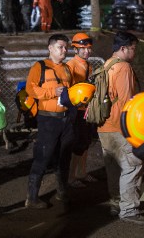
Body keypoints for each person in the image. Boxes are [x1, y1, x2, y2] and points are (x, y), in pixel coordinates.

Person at [98, 31, 144, 225]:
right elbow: (125, 102)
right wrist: (130, 128)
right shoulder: (124, 67)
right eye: (133, 48)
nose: (134, 52)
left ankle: (117, 203)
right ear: (123, 48)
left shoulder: (106, 65)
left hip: (103, 125)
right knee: (133, 165)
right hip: (119, 125)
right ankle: (129, 210)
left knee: (113, 166)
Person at [24, 34, 75, 208]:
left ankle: (62, 192)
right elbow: (30, 89)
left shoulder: (67, 68)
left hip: (66, 119)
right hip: (48, 120)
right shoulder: (39, 66)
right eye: (60, 47)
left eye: (66, 47)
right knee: (42, 158)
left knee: (64, 157)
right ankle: (32, 198)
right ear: (50, 48)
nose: (64, 50)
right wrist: (53, 92)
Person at [66, 32, 96, 188]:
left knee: (86, 142)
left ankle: (81, 173)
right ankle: (71, 177)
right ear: (75, 49)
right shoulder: (71, 66)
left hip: (87, 109)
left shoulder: (88, 65)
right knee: (78, 143)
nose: (87, 51)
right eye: (83, 48)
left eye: (89, 48)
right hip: (76, 111)